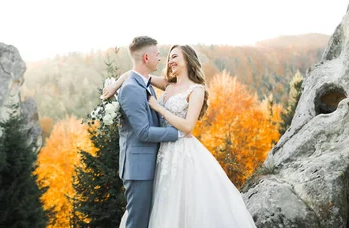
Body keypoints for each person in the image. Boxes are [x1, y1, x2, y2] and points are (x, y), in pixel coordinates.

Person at [103, 43, 257, 227]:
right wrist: (115, 86)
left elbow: (188, 126)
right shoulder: (168, 85)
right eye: (169, 58)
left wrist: (159, 108)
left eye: (175, 57)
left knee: (184, 203)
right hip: (162, 154)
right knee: (162, 203)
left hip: (183, 151)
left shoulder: (196, 90)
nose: (170, 61)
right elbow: (135, 74)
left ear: (188, 60)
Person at [115, 36, 184, 228]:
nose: (160, 58)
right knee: (137, 223)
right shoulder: (131, 89)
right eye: (157, 54)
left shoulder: (143, 84)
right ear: (146, 57)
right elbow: (143, 132)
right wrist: (177, 133)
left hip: (147, 164)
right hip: (138, 169)